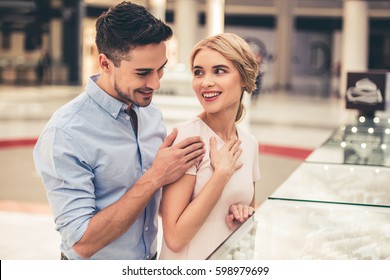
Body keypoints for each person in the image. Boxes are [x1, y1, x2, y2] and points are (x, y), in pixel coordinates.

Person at [33, 1, 205, 260]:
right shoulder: (65, 134)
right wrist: (155, 177)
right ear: (104, 63)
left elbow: (162, 207)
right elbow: (81, 242)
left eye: (161, 69)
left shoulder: (151, 114)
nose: (155, 83)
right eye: (143, 72)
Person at [159, 33, 261, 260]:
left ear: (244, 78)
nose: (205, 82)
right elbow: (174, 238)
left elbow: (250, 218)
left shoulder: (249, 143)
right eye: (198, 72)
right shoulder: (188, 139)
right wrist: (221, 175)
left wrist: (245, 215)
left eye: (219, 71)